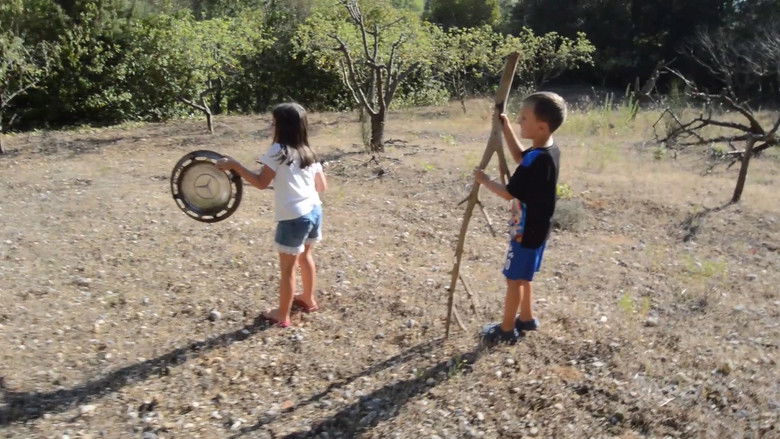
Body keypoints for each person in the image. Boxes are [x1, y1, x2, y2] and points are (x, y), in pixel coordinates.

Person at [216, 102, 327, 328]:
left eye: (273, 123)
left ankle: (282, 315)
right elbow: (322, 186)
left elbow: (260, 182)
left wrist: (235, 165)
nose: (271, 126)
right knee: (306, 257)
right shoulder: (308, 151)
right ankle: (308, 299)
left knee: (287, 269)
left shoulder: (278, 151)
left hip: (294, 217)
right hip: (315, 210)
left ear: (282, 127)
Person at [473, 92, 566, 344]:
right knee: (524, 275)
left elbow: (508, 193)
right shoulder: (548, 150)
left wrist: (485, 180)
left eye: (524, 118)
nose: (519, 121)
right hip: (539, 229)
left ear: (541, 127)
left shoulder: (535, 161)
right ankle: (526, 317)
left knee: (513, 279)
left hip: (525, 231)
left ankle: (505, 329)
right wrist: (506, 127)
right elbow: (520, 156)